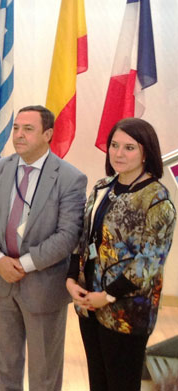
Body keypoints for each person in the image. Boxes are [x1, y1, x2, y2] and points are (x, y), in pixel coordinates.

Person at [0, 105, 87, 391]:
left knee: (44, 370)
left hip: (43, 286)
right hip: (1, 281)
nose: (19, 135)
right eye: (16, 128)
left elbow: (68, 235)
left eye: (28, 129)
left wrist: (23, 265)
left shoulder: (70, 178)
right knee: (6, 364)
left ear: (48, 134)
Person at [66, 118, 176, 391]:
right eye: (114, 145)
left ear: (146, 153)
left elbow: (149, 263)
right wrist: (71, 278)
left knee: (121, 384)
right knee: (98, 382)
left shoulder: (157, 199)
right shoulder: (103, 186)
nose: (118, 153)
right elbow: (84, 236)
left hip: (126, 313)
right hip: (89, 304)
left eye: (129, 147)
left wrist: (107, 296)